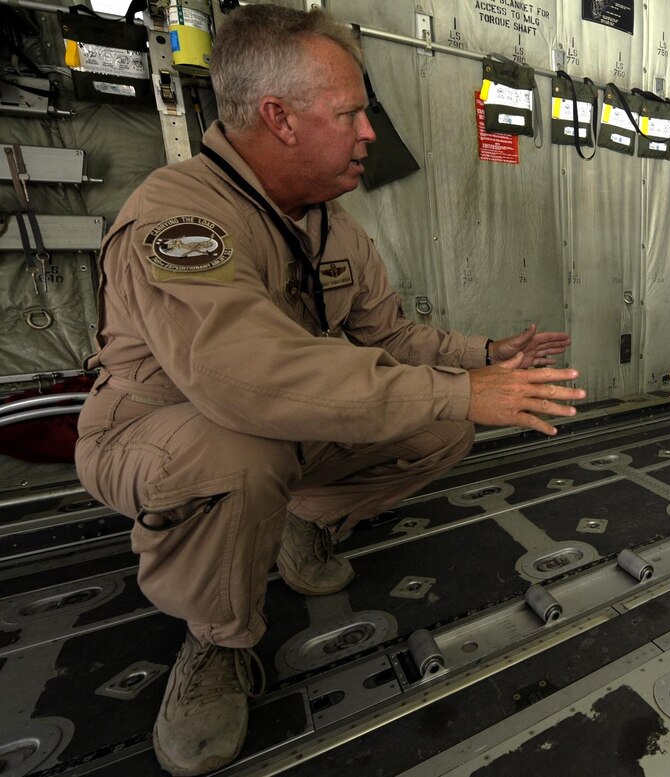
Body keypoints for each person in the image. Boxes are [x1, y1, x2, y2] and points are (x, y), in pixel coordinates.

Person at [74, 6, 585, 775]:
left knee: (440, 424)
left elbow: (394, 341)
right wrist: (458, 390)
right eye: (349, 113)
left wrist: (482, 357)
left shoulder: (333, 228)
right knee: (242, 449)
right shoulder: (181, 214)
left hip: (275, 427)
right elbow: (242, 378)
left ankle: (300, 524)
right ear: (278, 118)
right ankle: (216, 640)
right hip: (154, 431)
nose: (369, 133)